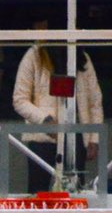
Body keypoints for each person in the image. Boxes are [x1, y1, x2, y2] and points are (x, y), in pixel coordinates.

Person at [14, 31, 104, 192]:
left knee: (74, 193)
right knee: (37, 192)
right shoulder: (34, 55)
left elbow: (95, 102)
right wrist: (45, 120)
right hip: (42, 137)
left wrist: (93, 138)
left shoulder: (82, 57)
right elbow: (20, 100)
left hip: (75, 135)